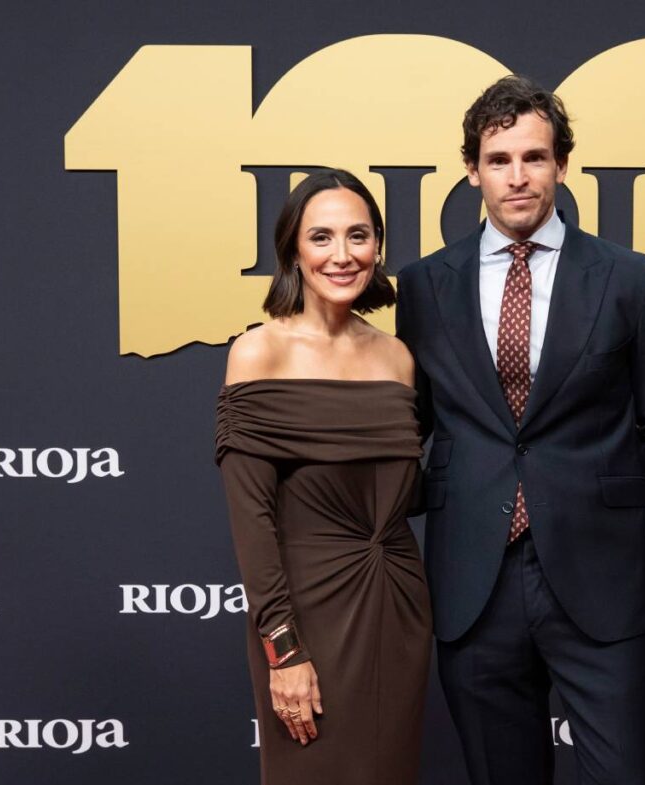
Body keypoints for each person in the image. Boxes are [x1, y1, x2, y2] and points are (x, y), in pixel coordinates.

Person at [395, 76, 645, 784]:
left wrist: (594, 502)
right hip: (474, 580)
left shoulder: (630, 279)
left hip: (597, 572)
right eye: (499, 160)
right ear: (471, 170)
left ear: (562, 163)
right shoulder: (424, 286)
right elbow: (412, 424)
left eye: (534, 157)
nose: (517, 177)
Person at [215, 168, 431, 784]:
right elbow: (252, 520)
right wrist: (284, 651)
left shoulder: (397, 358)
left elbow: (402, 490)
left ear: (378, 247)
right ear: (293, 250)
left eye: (358, 236)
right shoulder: (260, 351)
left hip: (397, 603)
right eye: (322, 237)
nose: (343, 255)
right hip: (306, 614)